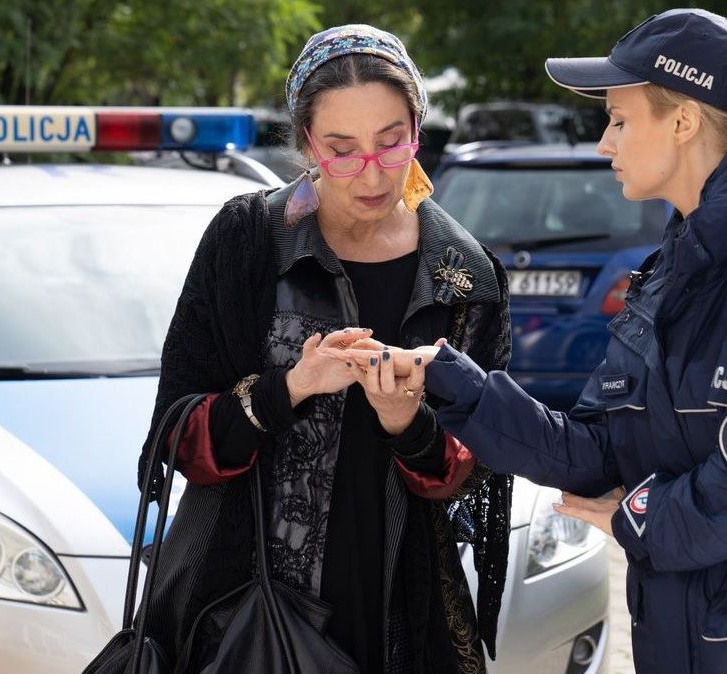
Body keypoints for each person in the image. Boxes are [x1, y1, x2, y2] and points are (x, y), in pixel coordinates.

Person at [337, 9, 727, 674]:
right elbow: (600, 448)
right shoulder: (670, 273)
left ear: (683, 120)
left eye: (618, 119)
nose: (605, 144)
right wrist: (450, 378)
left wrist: (636, 513)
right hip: (683, 641)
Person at [137, 24, 513, 674]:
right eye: (342, 151)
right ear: (307, 142)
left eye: (392, 144)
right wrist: (285, 391)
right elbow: (176, 437)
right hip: (244, 616)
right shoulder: (247, 242)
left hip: (400, 615)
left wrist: (408, 425)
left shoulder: (464, 275)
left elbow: (475, 470)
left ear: (417, 128)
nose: (371, 173)